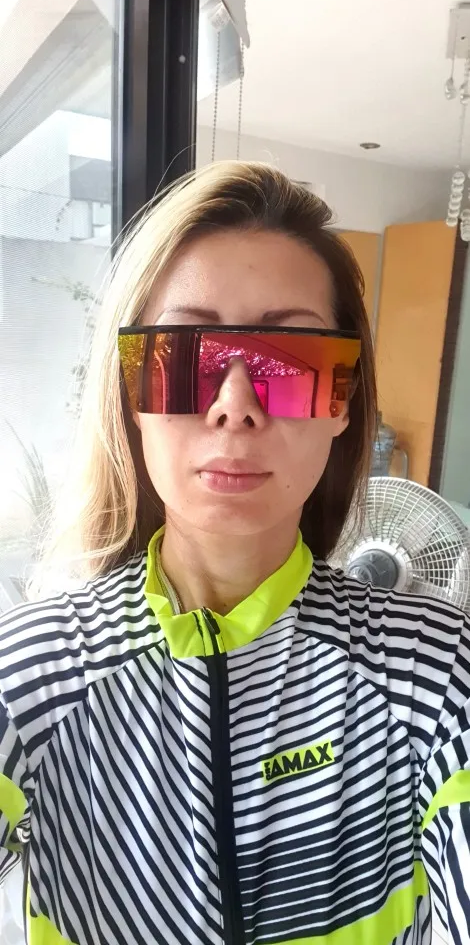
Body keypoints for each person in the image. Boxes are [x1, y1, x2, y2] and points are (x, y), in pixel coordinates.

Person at [0, 161, 469, 945]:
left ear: (343, 401)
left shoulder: (440, 676)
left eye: (291, 361)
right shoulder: (28, 677)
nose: (235, 407)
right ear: (132, 395)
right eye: (187, 357)